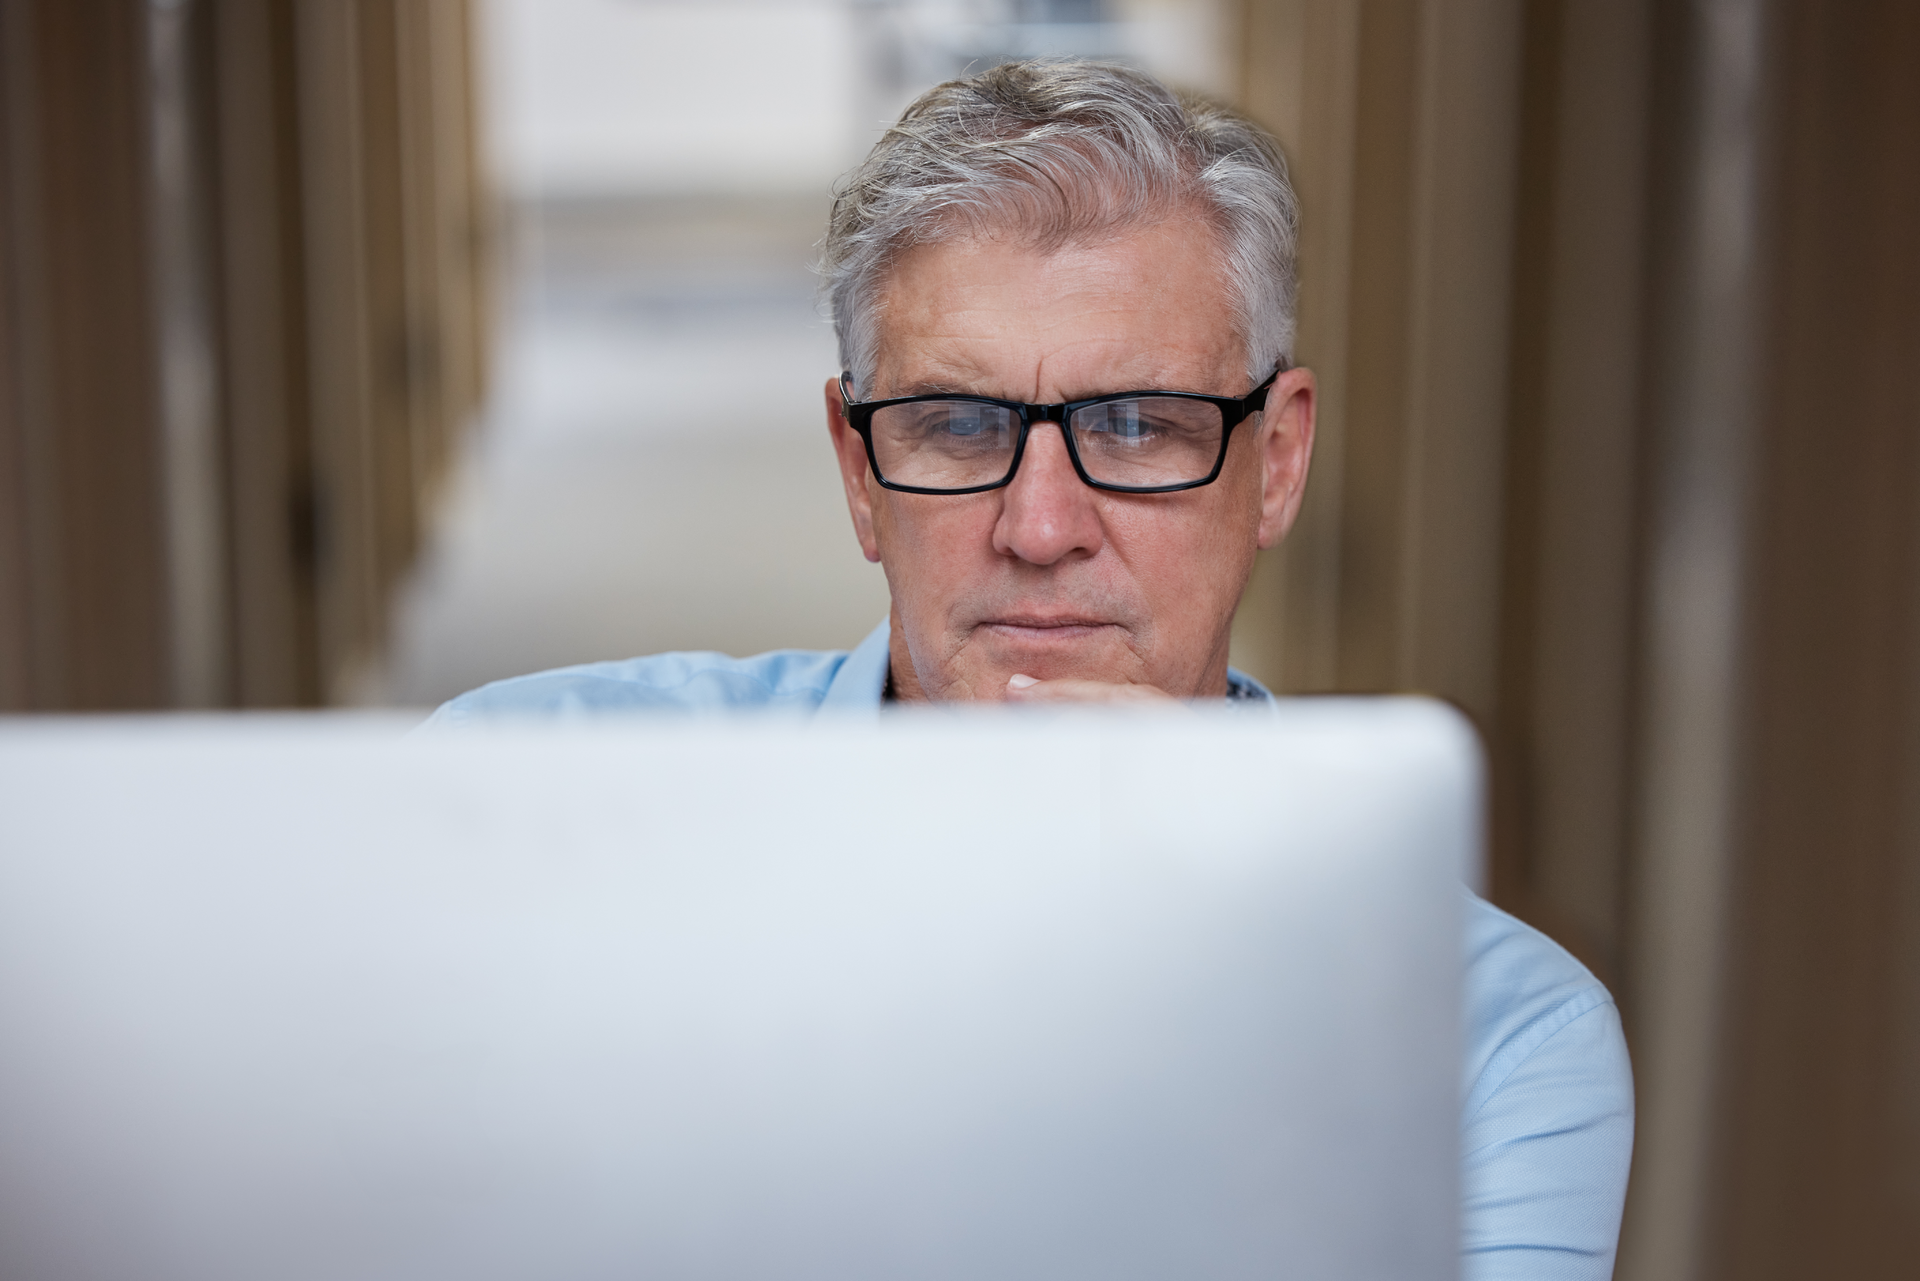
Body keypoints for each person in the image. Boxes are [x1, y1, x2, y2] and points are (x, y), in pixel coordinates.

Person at [428, 59, 1633, 1280]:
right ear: (858, 468)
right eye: (959, 426)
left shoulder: (1500, 1050)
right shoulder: (512, 807)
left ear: (1274, 463)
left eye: (1136, 424)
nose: (1041, 524)